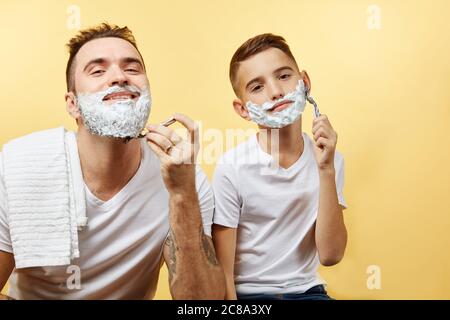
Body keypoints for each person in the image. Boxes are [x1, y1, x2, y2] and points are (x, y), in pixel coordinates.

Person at [0, 23, 225, 300]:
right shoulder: (20, 167)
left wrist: (182, 194)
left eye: (132, 68)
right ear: (73, 104)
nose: (119, 77)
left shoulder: (183, 178)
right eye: (98, 70)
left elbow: (202, 303)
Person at [212, 33, 348, 300]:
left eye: (284, 76)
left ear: (305, 83)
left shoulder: (330, 160)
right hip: (250, 295)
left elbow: (331, 255)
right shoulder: (232, 168)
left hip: (309, 292)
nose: (276, 92)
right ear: (244, 110)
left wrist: (326, 170)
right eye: (257, 87)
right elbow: (223, 271)